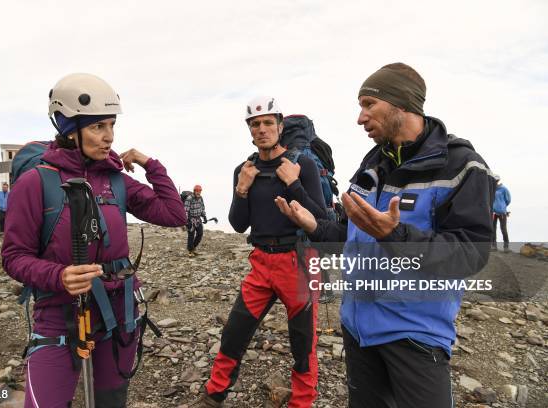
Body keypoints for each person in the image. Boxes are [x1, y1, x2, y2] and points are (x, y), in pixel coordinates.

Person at [276, 63, 496, 408]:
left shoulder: (462, 166)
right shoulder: (370, 166)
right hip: (358, 327)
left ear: (401, 105)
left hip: (416, 334)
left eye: (368, 105)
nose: (360, 118)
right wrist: (313, 226)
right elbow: (351, 235)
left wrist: (396, 234)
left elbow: (472, 254)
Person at [1, 73, 186, 407]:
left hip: (120, 310)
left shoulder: (115, 180)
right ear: (70, 128)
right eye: (98, 127)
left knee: (111, 401)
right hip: (59, 313)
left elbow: (174, 214)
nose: (109, 137)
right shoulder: (35, 183)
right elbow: (14, 256)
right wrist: (58, 276)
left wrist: (150, 164)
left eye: (112, 125)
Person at [188, 96, 327, 408]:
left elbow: (322, 219)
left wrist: (294, 184)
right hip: (261, 263)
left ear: (280, 126)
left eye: (267, 123)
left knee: (303, 342)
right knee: (235, 331)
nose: (262, 129)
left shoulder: (301, 164)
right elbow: (239, 224)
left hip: (299, 263)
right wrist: (242, 188)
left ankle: (302, 402)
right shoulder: (245, 168)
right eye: (255, 124)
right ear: (249, 130)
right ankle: (214, 394)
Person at [185, 184, 207, 256]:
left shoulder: (201, 198)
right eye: (197, 191)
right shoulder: (189, 198)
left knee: (200, 234)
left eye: (199, 191)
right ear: (194, 191)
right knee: (191, 235)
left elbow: (202, 208)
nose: (198, 192)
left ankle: (192, 248)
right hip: (191, 219)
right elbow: (186, 210)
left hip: (198, 219)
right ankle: (190, 251)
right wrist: (187, 221)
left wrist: (204, 217)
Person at [492, 177, 511, 251]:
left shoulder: (504, 189)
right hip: (493, 212)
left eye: (496, 180)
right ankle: (493, 246)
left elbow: (508, 199)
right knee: (493, 229)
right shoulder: (491, 189)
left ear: (498, 180)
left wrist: (502, 206)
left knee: (503, 229)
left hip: (502, 212)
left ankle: (506, 246)